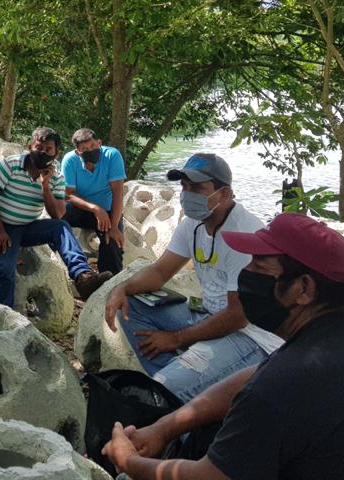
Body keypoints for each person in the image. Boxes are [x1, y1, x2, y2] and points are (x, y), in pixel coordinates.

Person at [103, 213, 344, 480]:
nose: (246, 274)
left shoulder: (285, 384)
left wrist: (129, 462)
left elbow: (211, 477)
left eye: (260, 267)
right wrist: (164, 427)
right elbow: (257, 376)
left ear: (303, 288)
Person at [104, 153, 282, 402]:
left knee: (164, 388)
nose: (187, 194)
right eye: (185, 186)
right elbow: (159, 273)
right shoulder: (192, 225)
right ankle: (186, 387)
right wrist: (121, 288)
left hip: (251, 337)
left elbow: (238, 316)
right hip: (210, 316)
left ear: (225, 194)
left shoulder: (244, 233)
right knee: (132, 304)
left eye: (198, 188)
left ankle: (178, 391)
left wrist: (174, 339)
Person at [0, 127, 112, 306]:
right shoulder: (10, 164)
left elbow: (58, 214)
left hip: (29, 226)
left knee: (61, 227)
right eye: (39, 147)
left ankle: (83, 276)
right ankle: (2, 314)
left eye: (48, 149)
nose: (43, 152)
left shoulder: (56, 178)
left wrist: (45, 187)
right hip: (2, 226)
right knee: (5, 270)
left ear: (56, 153)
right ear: (30, 146)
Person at [61, 128, 126, 275]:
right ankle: (76, 270)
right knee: (58, 214)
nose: (90, 151)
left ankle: (109, 281)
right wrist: (95, 208)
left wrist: (114, 226)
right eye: (84, 149)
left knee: (112, 242)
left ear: (99, 143)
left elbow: (118, 192)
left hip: (108, 212)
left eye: (92, 146)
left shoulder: (112, 156)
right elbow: (67, 194)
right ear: (78, 152)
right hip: (80, 208)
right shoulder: (70, 160)